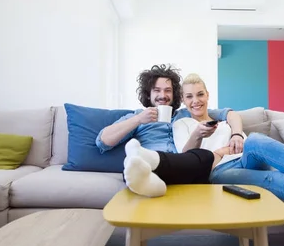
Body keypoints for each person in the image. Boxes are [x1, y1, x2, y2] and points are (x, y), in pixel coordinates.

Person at [122, 73, 284, 205]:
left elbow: (232, 115)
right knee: (275, 181)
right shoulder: (180, 121)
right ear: (183, 99)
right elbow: (184, 158)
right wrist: (198, 135)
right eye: (189, 96)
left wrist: (237, 134)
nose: (195, 101)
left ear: (207, 95)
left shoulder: (221, 116)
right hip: (218, 171)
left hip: (244, 158)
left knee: (257, 141)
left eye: (200, 94)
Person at [96, 64, 242, 196]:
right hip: (149, 163)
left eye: (168, 90)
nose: (163, 95)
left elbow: (229, 114)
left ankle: (153, 181)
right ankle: (151, 176)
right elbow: (103, 141)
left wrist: (236, 134)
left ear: (175, 94)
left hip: (184, 166)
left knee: (205, 156)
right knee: (136, 164)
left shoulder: (188, 112)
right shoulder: (137, 116)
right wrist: (139, 120)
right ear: (149, 94)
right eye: (157, 90)